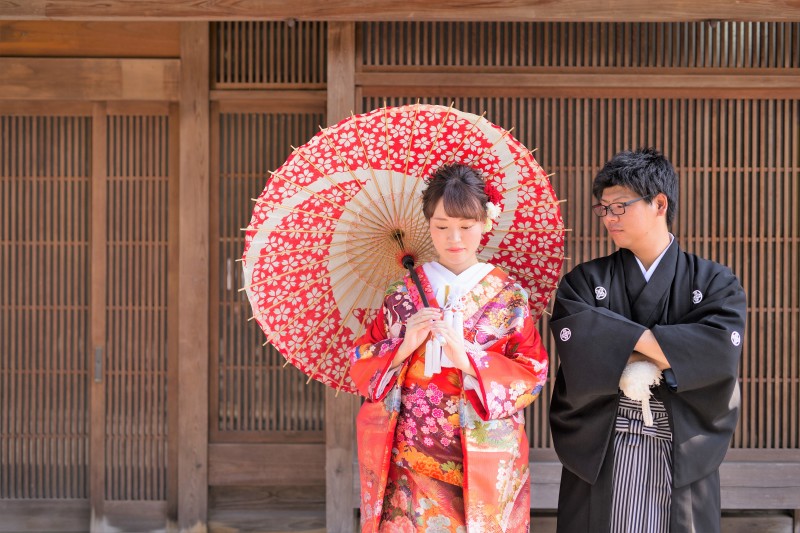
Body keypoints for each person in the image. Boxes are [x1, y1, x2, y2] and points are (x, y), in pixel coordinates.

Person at [548, 148, 747, 533]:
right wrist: (670, 347)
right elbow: (580, 352)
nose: (608, 218)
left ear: (659, 204)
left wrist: (617, 337)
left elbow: (718, 353)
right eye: (603, 208)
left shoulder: (714, 283)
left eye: (620, 206)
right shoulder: (584, 282)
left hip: (680, 445)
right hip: (606, 446)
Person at [349, 163, 549, 533]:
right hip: (409, 454)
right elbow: (361, 361)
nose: (453, 237)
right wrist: (403, 345)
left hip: (481, 449)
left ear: (486, 223)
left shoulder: (509, 297)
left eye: (465, 226)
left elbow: (532, 372)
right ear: (428, 226)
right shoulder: (402, 294)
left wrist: (471, 359)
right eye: (441, 226)